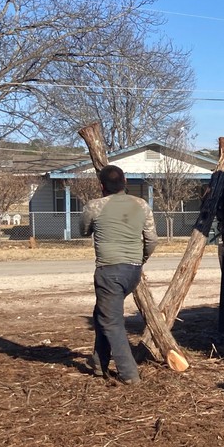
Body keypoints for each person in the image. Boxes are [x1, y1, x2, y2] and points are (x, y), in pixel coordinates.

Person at [80, 164, 157, 385]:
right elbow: (152, 240)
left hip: (109, 271)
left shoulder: (94, 206)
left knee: (112, 322)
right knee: (102, 314)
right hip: (133, 271)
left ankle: (129, 374)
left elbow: (83, 230)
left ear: (101, 186)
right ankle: (99, 363)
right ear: (125, 182)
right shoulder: (141, 205)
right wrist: (141, 259)